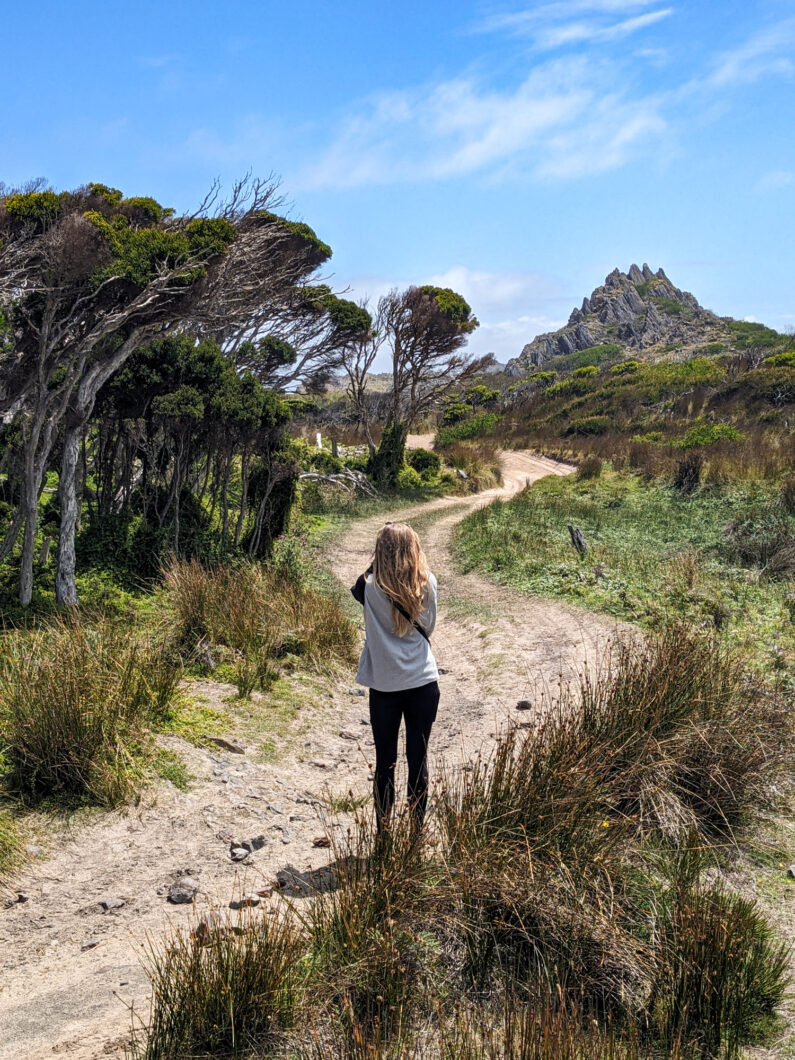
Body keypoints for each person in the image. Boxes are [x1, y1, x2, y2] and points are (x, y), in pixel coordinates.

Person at [351, 522, 439, 833]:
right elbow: (428, 629)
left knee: (384, 763)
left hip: (385, 687)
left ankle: (384, 834)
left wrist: (381, 557)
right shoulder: (427, 582)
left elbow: (357, 587)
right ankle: (416, 833)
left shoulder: (371, 587)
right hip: (423, 683)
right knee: (419, 760)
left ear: (380, 552)